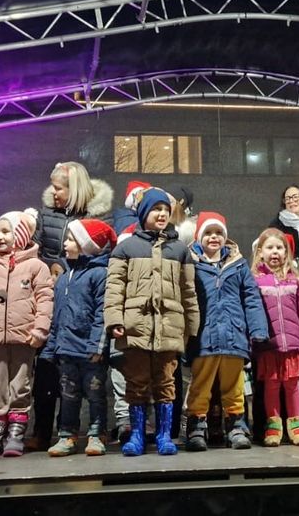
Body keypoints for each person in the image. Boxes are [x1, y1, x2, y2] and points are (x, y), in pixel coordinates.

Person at [104, 188, 200, 457]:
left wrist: (191, 327)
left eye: (166, 211)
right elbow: (114, 289)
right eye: (156, 209)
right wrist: (114, 321)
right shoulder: (125, 248)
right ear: (144, 212)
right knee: (136, 382)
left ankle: (164, 435)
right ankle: (136, 434)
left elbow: (188, 291)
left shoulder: (179, 250)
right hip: (135, 327)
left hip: (169, 327)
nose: (161, 214)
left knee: (166, 383)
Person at [31, 162, 110, 450]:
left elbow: (105, 253)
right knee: (48, 376)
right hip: (53, 296)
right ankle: (45, 432)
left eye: (59, 187)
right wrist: (49, 268)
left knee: (89, 386)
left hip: (82, 306)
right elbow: (34, 249)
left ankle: (95, 431)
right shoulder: (46, 215)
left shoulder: (100, 217)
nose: (53, 192)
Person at [0, 209, 53, 457]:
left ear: (22, 235)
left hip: (23, 339)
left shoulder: (36, 267)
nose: (0, 237)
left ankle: (16, 433)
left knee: (20, 386)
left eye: (6, 232)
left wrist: (39, 329)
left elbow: (45, 300)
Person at [183, 213, 269, 451]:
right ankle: (196, 428)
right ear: (199, 237)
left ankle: (237, 427)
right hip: (204, 336)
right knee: (200, 385)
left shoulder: (238, 264)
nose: (214, 237)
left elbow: (251, 298)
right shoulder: (190, 262)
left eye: (219, 233)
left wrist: (258, 329)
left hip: (234, 335)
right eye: (208, 233)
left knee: (235, 386)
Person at [43, 219, 117, 457]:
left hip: (89, 351)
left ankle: (97, 434)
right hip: (66, 350)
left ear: (87, 245)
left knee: (95, 394)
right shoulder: (64, 277)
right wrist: (51, 347)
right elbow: (57, 315)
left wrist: (97, 345)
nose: (65, 243)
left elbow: (101, 313)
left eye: (71, 239)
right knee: (67, 395)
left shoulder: (98, 275)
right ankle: (67, 435)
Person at [251, 229, 299, 447]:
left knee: (292, 385)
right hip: (269, 345)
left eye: (279, 248)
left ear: (286, 252)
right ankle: (273, 427)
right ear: (260, 252)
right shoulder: (255, 280)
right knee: (271, 385)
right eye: (270, 247)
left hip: (293, 344)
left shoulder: (296, 280)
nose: (275, 252)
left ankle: (297, 427)